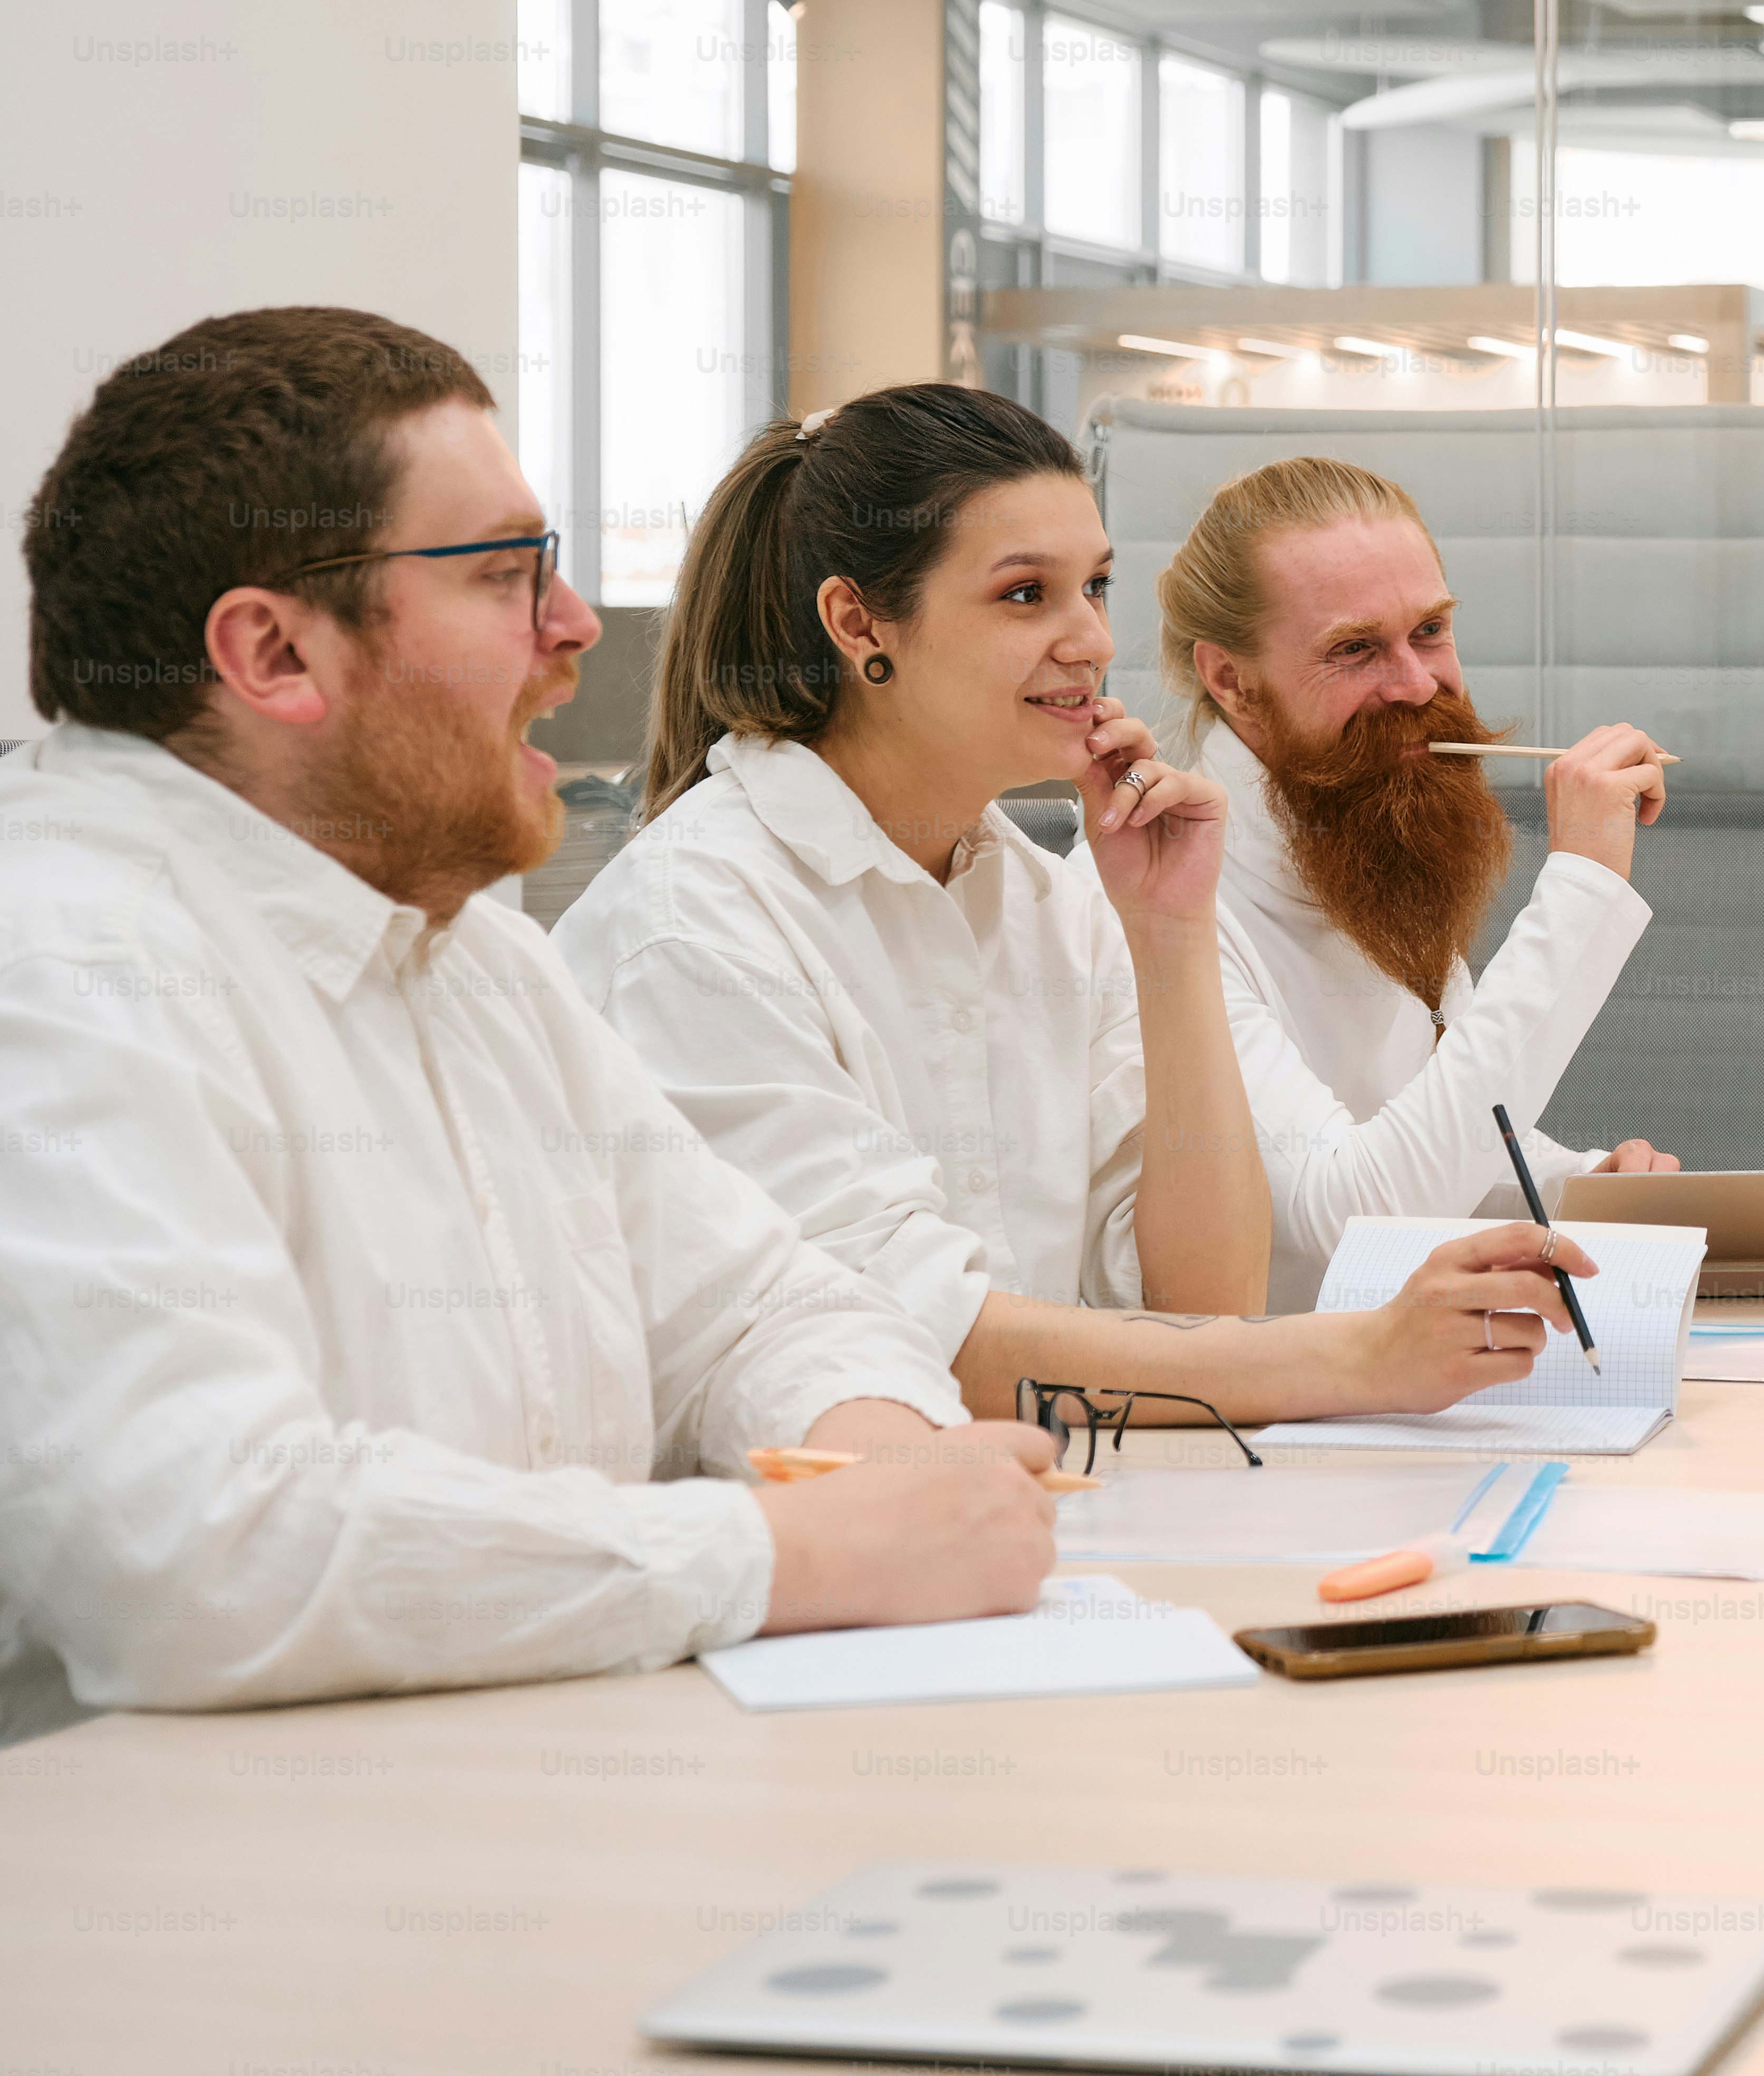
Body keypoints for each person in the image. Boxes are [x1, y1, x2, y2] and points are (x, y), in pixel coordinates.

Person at [0, 308, 1064, 1745]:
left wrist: (879, 1462)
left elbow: (762, 1305)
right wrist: (793, 1551)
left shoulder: (480, 957)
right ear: (273, 653)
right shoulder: (61, 963)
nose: (573, 632)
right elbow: (202, 1548)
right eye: (506, 576)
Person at [554, 388, 1589, 1436]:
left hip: (1054, 1530)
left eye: (1093, 586)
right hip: (849, 1568)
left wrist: (1170, 937)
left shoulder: (1052, 902)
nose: (1090, 639)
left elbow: (1203, 1299)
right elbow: (909, 1342)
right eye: (1023, 596)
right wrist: (1356, 1355)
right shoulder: (697, 921)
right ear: (859, 622)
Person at [1158, 457, 1682, 1312]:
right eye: (1355, 649)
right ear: (1231, 680)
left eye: (1431, 631)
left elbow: (1441, 1152)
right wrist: (1582, 889)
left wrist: (1579, 1186)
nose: (1416, 684)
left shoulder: (1356, 827)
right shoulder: (1163, 903)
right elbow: (1351, 1216)